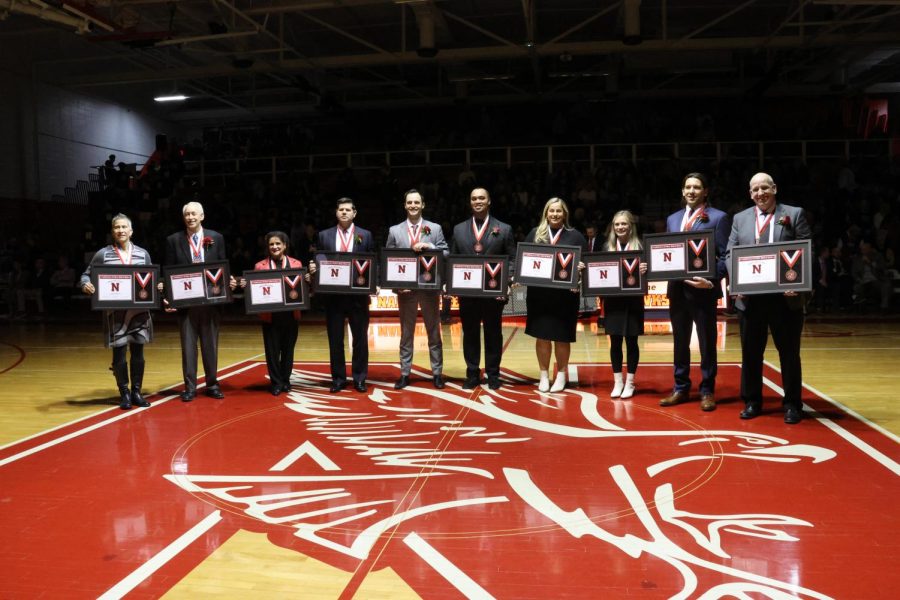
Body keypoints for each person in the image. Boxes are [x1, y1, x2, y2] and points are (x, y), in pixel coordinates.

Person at [725, 172, 811, 424]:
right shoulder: (740, 219)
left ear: (774, 188)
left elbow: (806, 250)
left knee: (789, 353)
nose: (760, 193)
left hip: (785, 298)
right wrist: (736, 282)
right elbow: (730, 254)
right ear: (750, 194)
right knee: (751, 353)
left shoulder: (794, 214)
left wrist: (798, 283)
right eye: (755, 190)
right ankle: (752, 401)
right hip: (750, 299)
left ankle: (793, 404)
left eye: (765, 188)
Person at [659, 173, 730, 412]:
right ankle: (680, 388)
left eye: (696, 187)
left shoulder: (718, 218)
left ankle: (707, 390)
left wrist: (711, 281)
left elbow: (725, 256)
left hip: (703, 291)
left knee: (707, 342)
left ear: (705, 191)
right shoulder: (672, 219)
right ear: (682, 191)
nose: (691, 191)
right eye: (687, 187)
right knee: (680, 341)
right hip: (677, 290)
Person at [79, 214, 153, 410]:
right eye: (117, 227)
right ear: (112, 232)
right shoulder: (103, 254)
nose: (121, 230)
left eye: (124, 227)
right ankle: (125, 393)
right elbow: (86, 275)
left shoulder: (143, 254)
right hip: (115, 314)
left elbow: (151, 279)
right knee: (119, 354)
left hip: (139, 312)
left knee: (138, 352)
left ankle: (137, 391)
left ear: (131, 231)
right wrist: (86, 285)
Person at [450, 187, 515, 390]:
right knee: (469, 333)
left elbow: (511, 259)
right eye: (474, 198)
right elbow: (453, 259)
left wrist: (507, 282)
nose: (477, 201)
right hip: (468, 293)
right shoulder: (458, 229)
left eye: (481, 198)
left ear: (489, 201)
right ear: (470, 202)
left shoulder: (503, 229)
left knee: (493, 333)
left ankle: (493, 374)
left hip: (493, 293)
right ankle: (472, 373)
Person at [164, 201, 228, 402]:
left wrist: (227, 284)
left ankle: (212, 385)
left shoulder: (216, 238)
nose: (190, 217)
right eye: (187, 214)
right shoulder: (173, 240)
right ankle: (190, 387)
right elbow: (169, 270)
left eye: (194, 214)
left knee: (210, 345)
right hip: (186, 303)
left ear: (202, 216)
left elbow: (223, 267)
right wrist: (168, 296)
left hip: (210, 302)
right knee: (188, 346)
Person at [385, 188, 449, 389]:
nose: (413, 205)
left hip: (429, 288)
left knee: (434, 332)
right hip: (406, 291)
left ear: (423, 205)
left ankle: (437, 373)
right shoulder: (394, 230)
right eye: (409, 202)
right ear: (405, 205)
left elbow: (446, 252)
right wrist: (396, 287)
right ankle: (405, 373)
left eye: (416, 202)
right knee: (406, 333)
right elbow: (389, 260)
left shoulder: (435, 228)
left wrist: (431, 247)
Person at [523, 197, 587, 392]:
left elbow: (586, 264)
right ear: (546, 213)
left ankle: (561, 375)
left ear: (565, 214)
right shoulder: (535, 234)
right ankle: (543, 376)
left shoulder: (575, 236)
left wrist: (582, 268)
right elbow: (524, 259)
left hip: (565, 298)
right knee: (542, 337)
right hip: (539, 296)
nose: (555, 214)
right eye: (551, 211)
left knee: (562, 337)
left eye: (559, 211)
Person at [315, 198, 375, 393]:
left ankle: (359, 378)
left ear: (354, 213)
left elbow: (372, 264)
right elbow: (320, 260)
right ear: (336, 212)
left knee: (360, 339)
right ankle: (339, 379)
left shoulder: (365, 235)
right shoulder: (324, 236)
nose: (344, 213)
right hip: (334, 297)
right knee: (335, 339)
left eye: (348, 210)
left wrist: (372, 286)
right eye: (341, 209)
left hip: (357, 297)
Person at [235, 232, 306, 396]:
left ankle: (286, 380)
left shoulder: (296, 264)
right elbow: (255, 291)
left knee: (288, 350)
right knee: (272, 351)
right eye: (271, 244)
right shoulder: (260, 266)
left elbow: (302, 289)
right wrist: (247, 285)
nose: (275, 247)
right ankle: (276, 382)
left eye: (278, 244)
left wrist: (307, 279)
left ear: (285, 246)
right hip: (270, 316)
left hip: (291, 315)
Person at [601, 211, 648, 399]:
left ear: (631, 226)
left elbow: (650, 274)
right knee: (615, 342)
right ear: (613, 227)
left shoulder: (641, 247)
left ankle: (630, 383)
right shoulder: (606, 247)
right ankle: (617, 382)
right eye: (617, 224)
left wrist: (647, 268)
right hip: (613, 302)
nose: (620, 227)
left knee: (631, 341)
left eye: (624, 224)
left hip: (633, 301)